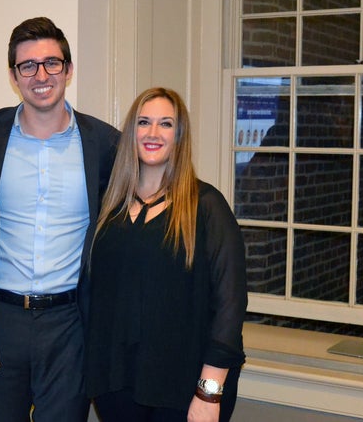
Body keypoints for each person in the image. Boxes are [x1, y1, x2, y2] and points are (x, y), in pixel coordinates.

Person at [0, 17, 120, 422]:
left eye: (52, 63)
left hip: (69, 324)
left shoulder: (105, 145)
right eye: (28, 66)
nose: (41, 75)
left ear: (68, 70)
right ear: (13, 76)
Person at [85, 87, 247, 422]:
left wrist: (209, 391)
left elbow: (230, 305)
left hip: (184, 391)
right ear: (132, 133)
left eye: (166, 124)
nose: (153, 133)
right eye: (144, 122)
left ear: (180, 135)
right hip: (116, 387)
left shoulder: (206, 207)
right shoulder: (108, 207)